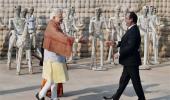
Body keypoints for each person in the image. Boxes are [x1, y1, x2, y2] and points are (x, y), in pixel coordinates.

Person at [103, 12, 146, 100]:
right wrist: (114, 43)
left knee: (136, 83)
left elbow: (130, 47)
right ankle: (115, 97)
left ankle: (142, 99)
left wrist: (119, 53)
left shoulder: (134, 31)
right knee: (123, 81)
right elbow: (125, 42)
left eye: (126, 18)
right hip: (128, 61)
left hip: (131, 61)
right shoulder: (131, 29)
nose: (125, 20)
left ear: (131, 20)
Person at [35, 8, 74, 100]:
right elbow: (59, 37)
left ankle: (53, 97)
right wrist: (71, 39)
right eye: (60, 17)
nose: (62, 19)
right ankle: (40, 95)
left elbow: (62, 36)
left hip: (57, 57)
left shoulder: (56, 25)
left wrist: (68, 38)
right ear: (54, 17)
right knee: (52, 79)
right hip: (52, 59)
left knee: (55, 80)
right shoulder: (51, 26)